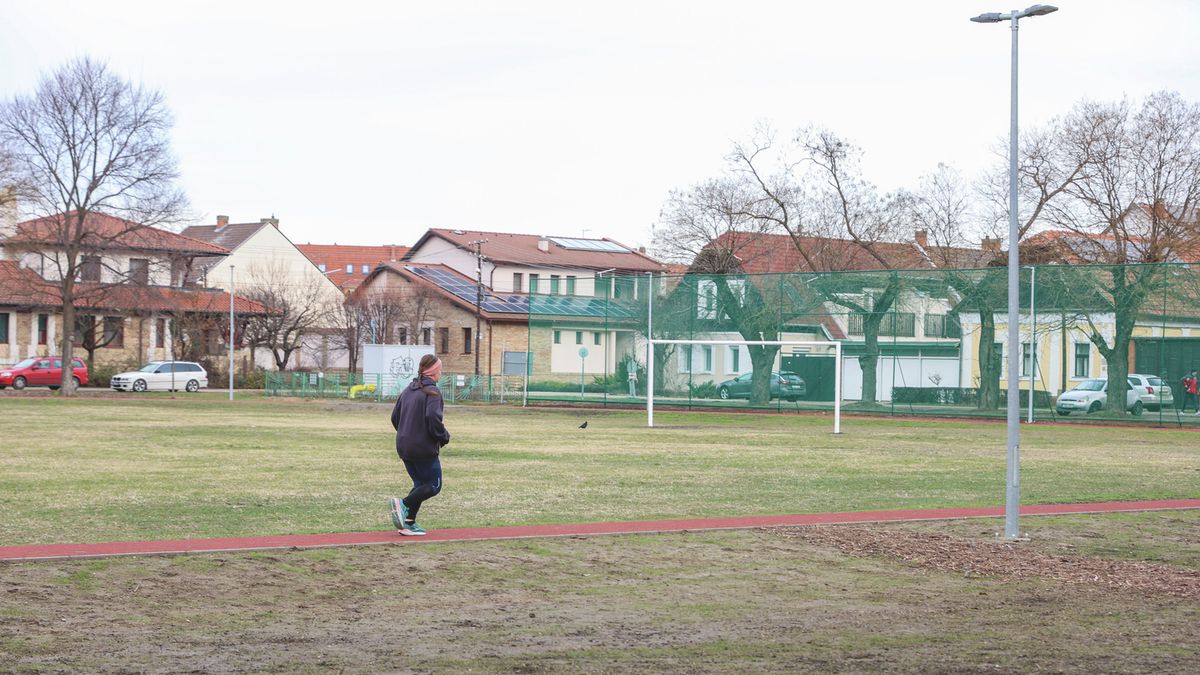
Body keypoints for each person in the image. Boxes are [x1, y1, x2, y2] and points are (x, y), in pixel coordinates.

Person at [388, 354, 451, 535]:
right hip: (422, 447)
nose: (441, 372)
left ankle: (409, 522)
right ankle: (403, 504)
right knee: (434, 485)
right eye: (440, 369)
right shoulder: (432, 392)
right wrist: (443, 436)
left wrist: (406, 433)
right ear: (434, 372)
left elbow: (394, 417)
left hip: (404, 445)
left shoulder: (409, 390)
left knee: (420, 484)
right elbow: (433, 418)